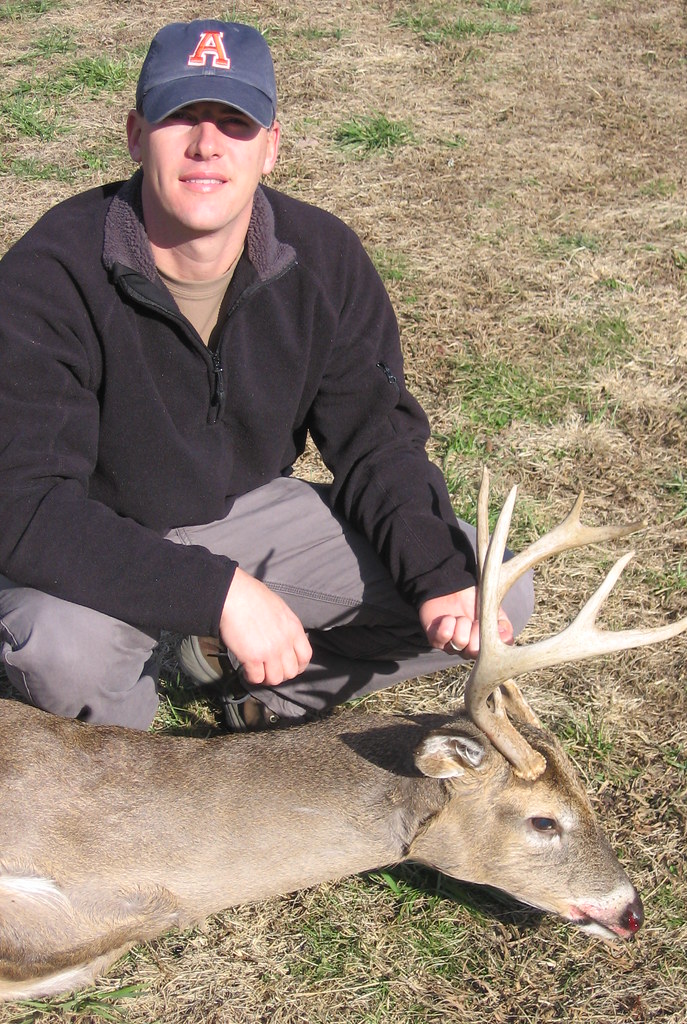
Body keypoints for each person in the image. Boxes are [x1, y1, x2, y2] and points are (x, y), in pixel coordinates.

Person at [0, 19, 533, 731]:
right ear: (135, 134)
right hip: (91, 539)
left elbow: (377, 444)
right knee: (62, 650)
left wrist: (437, 574)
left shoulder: (323, 258)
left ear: (272, 146)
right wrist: (219, 594)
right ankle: (139, 774)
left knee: (496, 594)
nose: (207, 144)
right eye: (181, 117)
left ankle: (257, 699)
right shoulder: (48, 275)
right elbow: (26, 504)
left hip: (237, 518)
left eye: (235, 122)